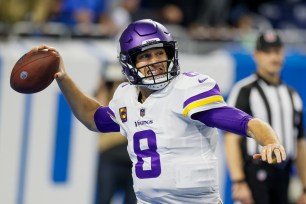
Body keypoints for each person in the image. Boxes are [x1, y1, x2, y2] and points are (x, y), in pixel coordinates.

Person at [32, 19, 286, 204]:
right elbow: (92, 118)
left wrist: (270, 141)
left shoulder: (186, 89)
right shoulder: (125, 98)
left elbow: (242, 122)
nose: (154, 62)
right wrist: (63, 79)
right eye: (144, 57)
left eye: (159, 53)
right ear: (129, 64)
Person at [224, 31, 306, 204]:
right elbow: (231, 138)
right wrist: (238, 181)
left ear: (283, 54)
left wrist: (305, 187)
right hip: (254, 171)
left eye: (277, 51)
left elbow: (299, 142)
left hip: (284, 173)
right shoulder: (244, 90)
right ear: (256, 55)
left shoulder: (293, 95)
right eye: (267, 52)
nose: (273, 57)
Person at [94, 62, 136, 204]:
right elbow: (98, 106)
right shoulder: (104, 96)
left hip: (131, 160)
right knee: (104, 198)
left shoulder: (132, 98)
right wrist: (105, 81)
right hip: (109, 157)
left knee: (132, 201)